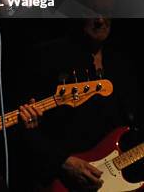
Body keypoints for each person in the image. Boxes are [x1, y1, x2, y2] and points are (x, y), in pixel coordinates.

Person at [14, 10, 143, 190]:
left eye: (105, 10)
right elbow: (21, 127)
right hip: (61, 182)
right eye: (92, 11)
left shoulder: (124, 62)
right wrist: (63, 162)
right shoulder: (47, 56)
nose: (100, 19)